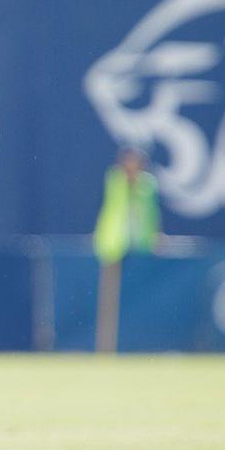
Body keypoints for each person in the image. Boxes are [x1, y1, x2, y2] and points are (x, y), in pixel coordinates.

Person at [93, 146, 161, 351]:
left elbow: (151, 213)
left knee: (142, 294)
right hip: (114, 243)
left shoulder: (147, 184)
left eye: (136, 163)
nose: (132, 167)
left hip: (142, 243)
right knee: (108, 298)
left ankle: (141, 344)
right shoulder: (115, 179)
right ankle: (106, 347)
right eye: (128, 162)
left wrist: (154, 237)